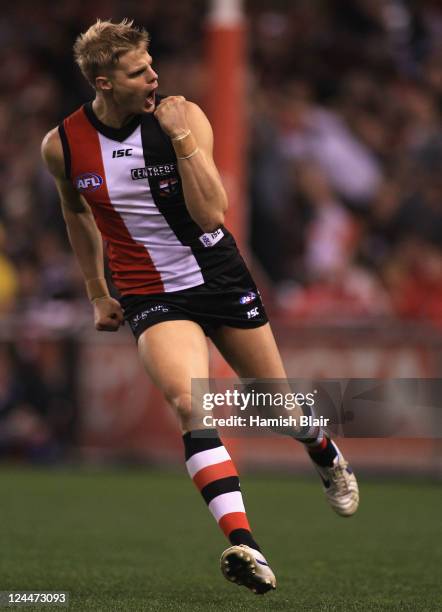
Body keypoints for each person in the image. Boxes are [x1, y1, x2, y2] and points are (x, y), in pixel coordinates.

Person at [41, 19, 359, 596]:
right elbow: (75, 211)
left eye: (152, 63)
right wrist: (96, 290)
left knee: (278, 407)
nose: (155, 77)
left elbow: (213, 214)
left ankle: (322, 448)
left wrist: (183, 139)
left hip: (216, 276)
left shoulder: (184, 118)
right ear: (105, 82)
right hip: (149, 293)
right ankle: (245, 544)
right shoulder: (62, 145)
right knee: (192, 400)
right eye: (140, 72)